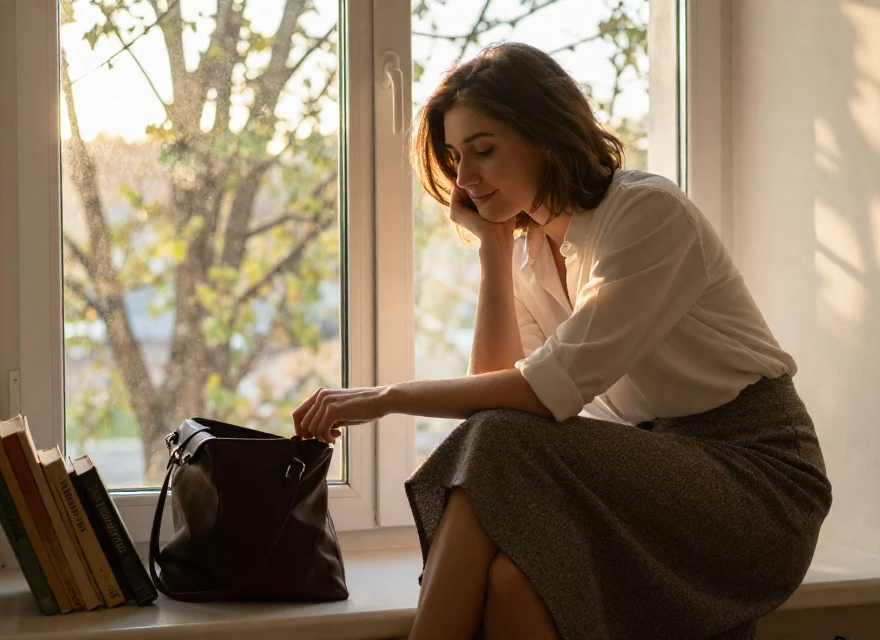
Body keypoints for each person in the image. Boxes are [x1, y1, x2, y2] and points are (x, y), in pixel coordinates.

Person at [292, 42, 831, 640]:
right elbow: (494, 398)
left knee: (498, 441)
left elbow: (540, 393)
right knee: (511, 581)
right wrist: (495, 253)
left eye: (484, 150)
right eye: (454, 156)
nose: (465, 179)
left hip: (757, 481)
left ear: (546, 136)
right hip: (651, 471)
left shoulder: (646, 215)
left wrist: (385, 397)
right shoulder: (529, 253)